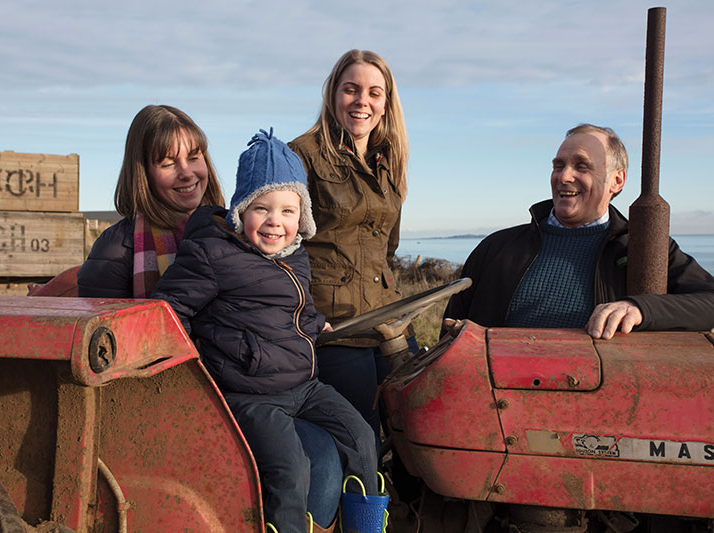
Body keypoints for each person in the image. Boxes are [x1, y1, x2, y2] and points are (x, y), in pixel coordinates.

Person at [76, 106, 342, 528]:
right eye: (168, 162)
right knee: (308, 463)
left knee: (327, 458)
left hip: (242, 386)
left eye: (194, 156)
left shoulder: (233, 226)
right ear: (141, 171)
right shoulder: (118, 247)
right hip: (165, 402)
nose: (187, 173)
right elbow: (102, 348)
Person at [152, 129, 385, 533]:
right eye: (262, 208)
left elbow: (296, 309)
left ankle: (364, 526)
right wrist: (193, 364)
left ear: (302, 216)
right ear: (241, 211)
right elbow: (169, 310)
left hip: (304, 386)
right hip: (251, 394)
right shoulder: (213, 254)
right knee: (291, 470)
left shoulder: (296, 259)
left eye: (288, 211)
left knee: (363, 439)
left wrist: (315, 323)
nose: (275, 222)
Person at [443, 123, 714, 337]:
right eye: (558, 166)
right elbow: (450, 334)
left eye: (581, 166)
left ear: (617, 180)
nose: (564, 176)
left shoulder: (643, 249)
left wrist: (641, 308)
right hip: (496, 396)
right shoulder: (497, 248)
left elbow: (709, 302)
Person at [288, 49, 412, 451]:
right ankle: (363, 515)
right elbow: (276, 248)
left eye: (375, 93)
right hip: (334, 328)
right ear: (333, 95)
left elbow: (385, 247)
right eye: (351, 90)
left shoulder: (387, 162)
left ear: (385, 103)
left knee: (413, 425)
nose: (363, 101)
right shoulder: (301, 156)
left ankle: (405, 511)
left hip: (388, 320)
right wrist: (306, 314)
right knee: (361, 442)